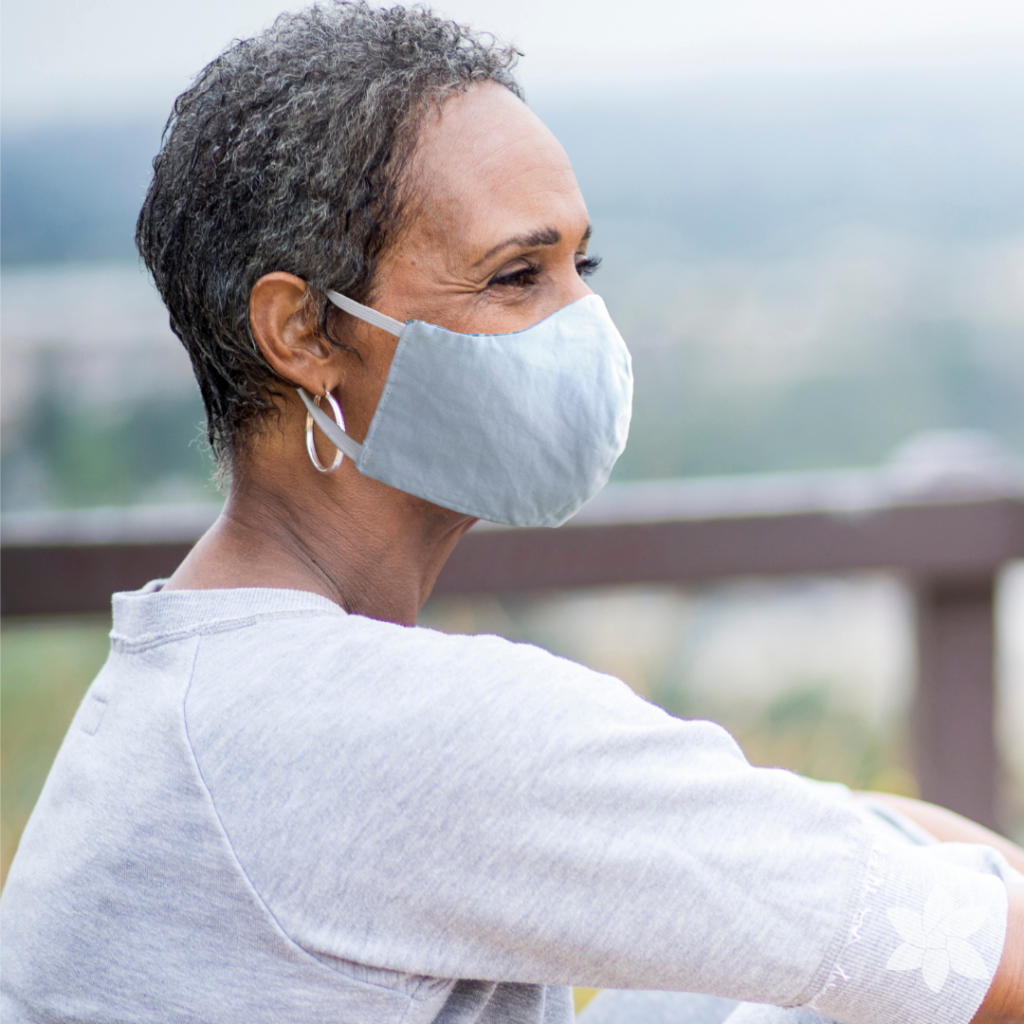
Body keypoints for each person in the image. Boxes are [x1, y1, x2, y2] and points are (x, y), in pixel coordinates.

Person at [1, 4, 1022, 1023]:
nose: (579, 320)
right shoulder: (397, 729)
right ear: (304, 331)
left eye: (584, 266)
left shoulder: (188, 682)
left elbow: (838, 860)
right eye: (515, 276)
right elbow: (983, 959)